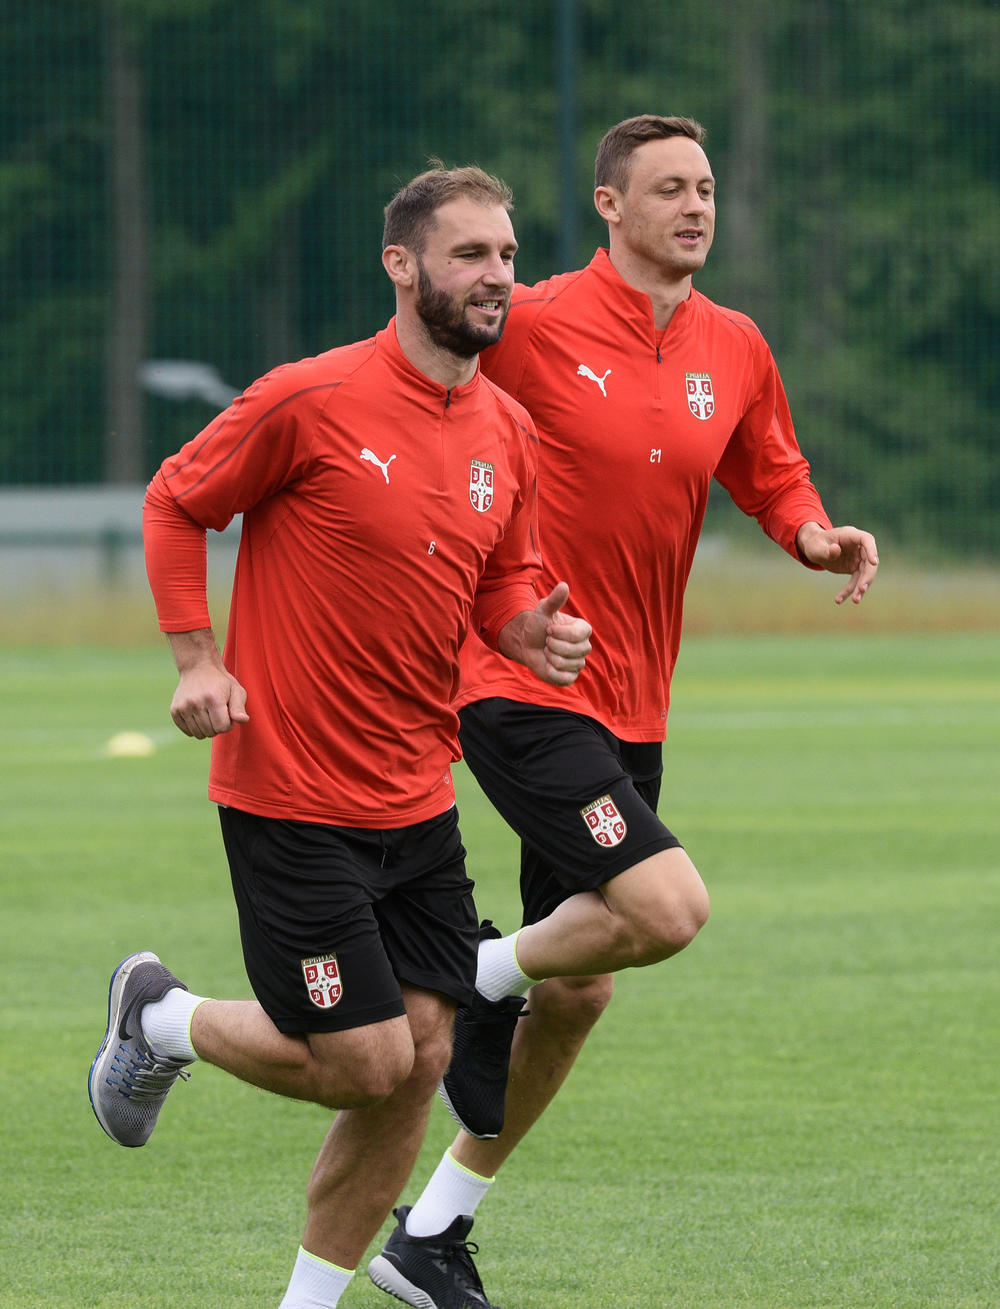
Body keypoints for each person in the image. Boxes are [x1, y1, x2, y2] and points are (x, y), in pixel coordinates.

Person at [369, 115, 879, 1309]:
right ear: (609, 206)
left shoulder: (735, 344)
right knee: (666, 905)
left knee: (585, 985)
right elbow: (414, 390)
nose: (694, 205)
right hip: (519, 681)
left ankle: (433, 1234)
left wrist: (809, 531)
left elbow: (769, 464)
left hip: (637, 701)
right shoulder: (533, 320)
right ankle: (473, 970)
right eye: (667, 188)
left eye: (705, 185)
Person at [86, 164, 593, 1309]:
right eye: (469, 255)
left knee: (416, 1066)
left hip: (419, 798)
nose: (496, 277)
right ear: (401, 266)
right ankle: (161, 1014)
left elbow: (501, 579)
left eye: (508, 256)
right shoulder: (308, 398)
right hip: (291, 796)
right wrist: (195, 658)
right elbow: (177, 498)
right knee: (364, 1060)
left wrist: (529, 631)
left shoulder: (505, 427)